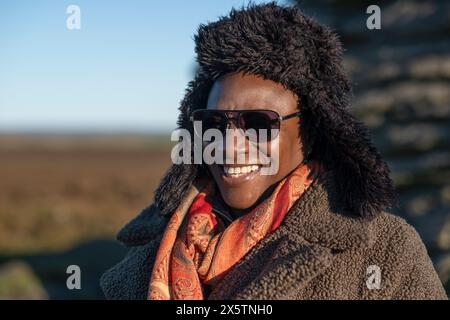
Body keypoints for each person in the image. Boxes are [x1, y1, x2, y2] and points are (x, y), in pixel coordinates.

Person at [100, 2, 447, 299]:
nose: (229, 145)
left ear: (311, 130)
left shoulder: (387, 251)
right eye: (214, 123)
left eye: (258, 123)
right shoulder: (152, 248)